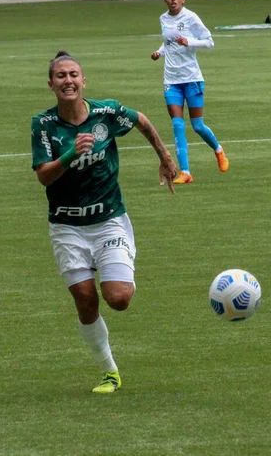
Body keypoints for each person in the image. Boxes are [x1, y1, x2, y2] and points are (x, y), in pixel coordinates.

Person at [31, 51, 177, 394]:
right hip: (66, 226)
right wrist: (70, 155)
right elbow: (44, 177)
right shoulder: (44, 124)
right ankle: (109, 371)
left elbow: (141, 119)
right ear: (50, 84)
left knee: (119, 299)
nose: (68, 81)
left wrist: (164, 155)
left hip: (108, 220)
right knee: (85, 299)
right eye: (61, 76)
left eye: (74, 74)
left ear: (84, 81)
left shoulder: (106, 113)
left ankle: (121, 267)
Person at [151, 0, 229, 185]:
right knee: (177, 125)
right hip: (171, 80)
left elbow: (209, 41)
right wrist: (159, 52)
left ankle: (219, 150)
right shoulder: (163, 19)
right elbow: (168, 42)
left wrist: (189, 42)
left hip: (192, 78)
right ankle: (185, 172)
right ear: (165, 1)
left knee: (197, 126)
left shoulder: (191, 18)